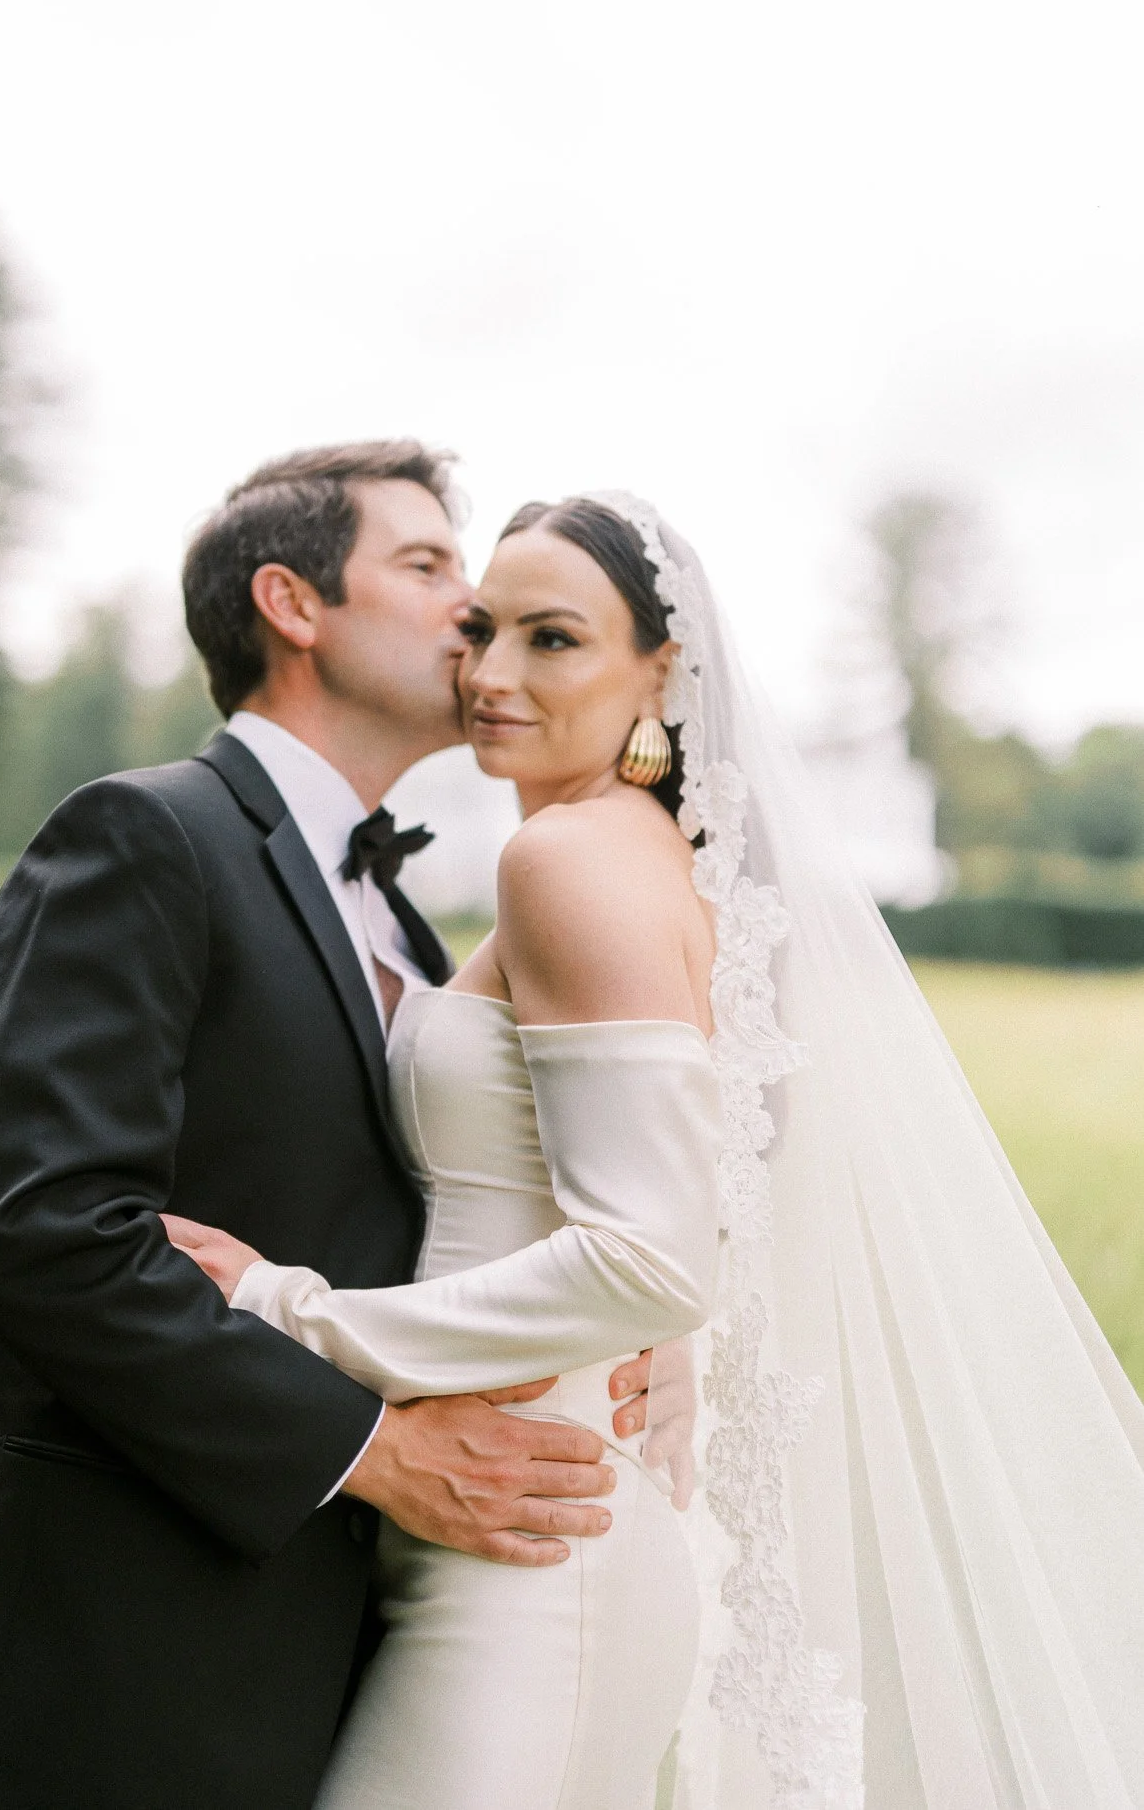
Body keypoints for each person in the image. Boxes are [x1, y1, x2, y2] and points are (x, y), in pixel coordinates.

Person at [171, 492, 1144, 1810]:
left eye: (553, 639)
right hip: (522, 1530)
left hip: (531, 1572)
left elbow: (644, 1257)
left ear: (664, 675)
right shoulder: (634, 860)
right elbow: (680, 1185)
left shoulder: (570, 863)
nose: (494, 675)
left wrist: (294, 1319)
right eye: (483, 629)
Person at [0, 444, 655, 1810]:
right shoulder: (139, 838)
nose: (473, 608)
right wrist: (382, 1453)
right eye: (427, 564)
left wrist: (643, 1339)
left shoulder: (407, 919)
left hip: (319, 1641)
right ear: (292, 603)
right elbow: (45, 1238)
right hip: (105, 1646)